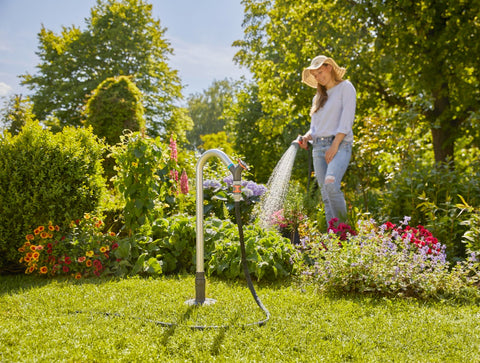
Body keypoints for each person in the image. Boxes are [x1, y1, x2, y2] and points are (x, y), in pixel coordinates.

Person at [295, 55, 356, 227]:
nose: (318, 78)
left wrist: (335, 146)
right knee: (326, 196)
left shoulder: (345, 87)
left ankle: (345, 232)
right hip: (318, 148)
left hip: (340, 144)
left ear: (329, 67)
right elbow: (316, 128)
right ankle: (335, 237)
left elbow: (347, 120)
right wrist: (307, 137)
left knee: (331, 184)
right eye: (315, 75)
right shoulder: (318, 98)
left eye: (320, 72)